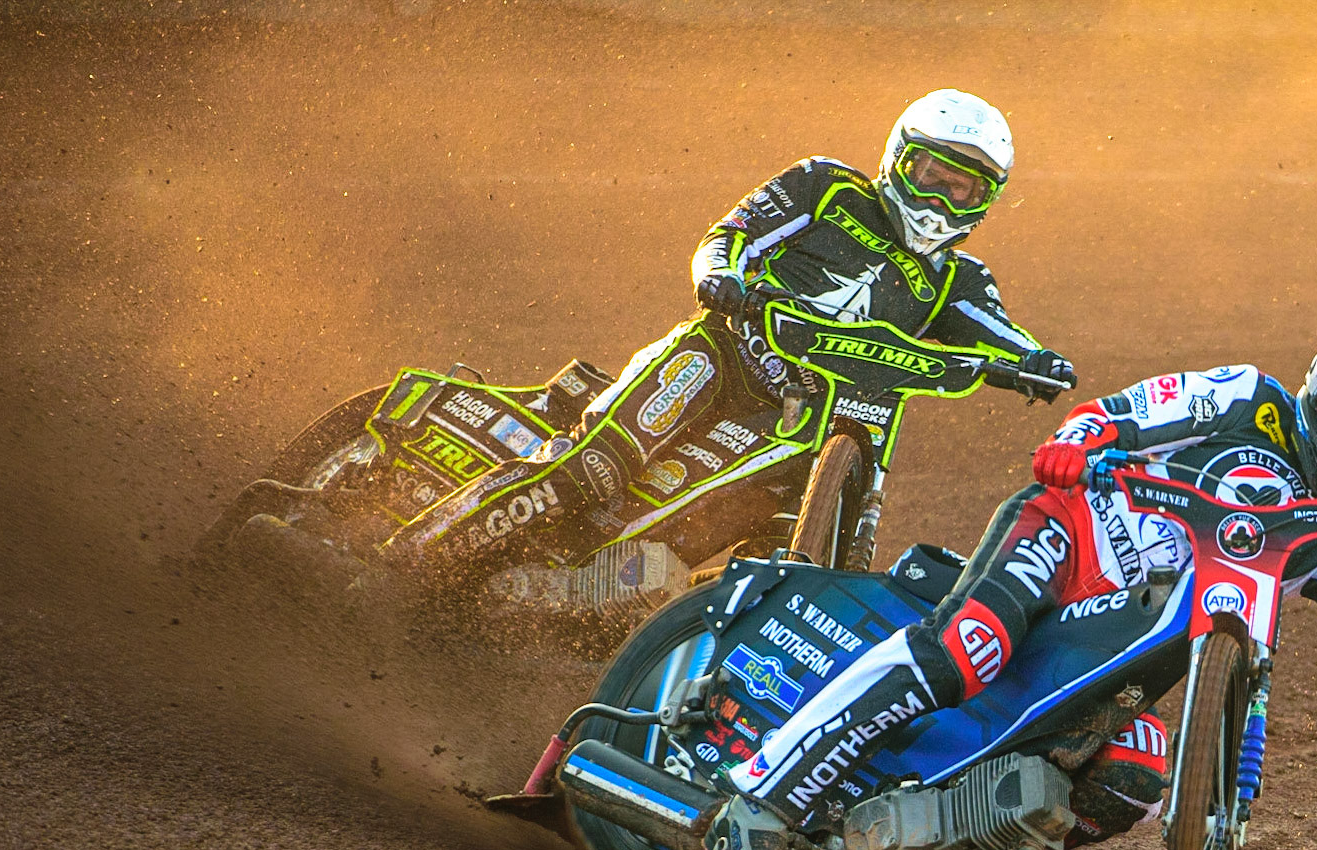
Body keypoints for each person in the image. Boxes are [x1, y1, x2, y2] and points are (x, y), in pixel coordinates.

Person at [705, 319, 1317, 850]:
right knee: (965, 650)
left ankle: (950, 848)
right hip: (1071, 532)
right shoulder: (1249, 397)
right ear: (1315, 388)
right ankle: (758, 802)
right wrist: (1077, 444)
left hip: (1122, 642)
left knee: (1137, 771)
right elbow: (1127, 412)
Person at [404, 89, 1074, 565]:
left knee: (743, 548)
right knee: (592, 472)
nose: (940, 200)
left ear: (988, 199)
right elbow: (730, 235)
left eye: (964, 190)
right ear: (900, 158)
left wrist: (1037, 359)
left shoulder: (961, 279)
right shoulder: (827, 186)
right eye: (932, 175)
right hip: (719, 357)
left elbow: (997, 332)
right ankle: (403, 560)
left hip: (807, 419)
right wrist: (718, 275)